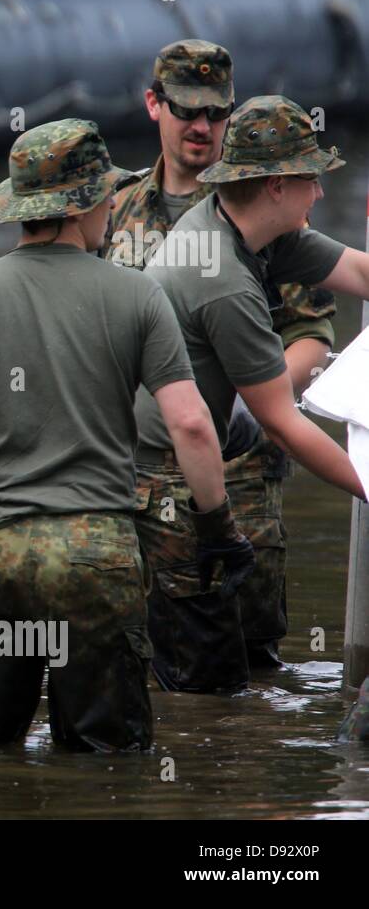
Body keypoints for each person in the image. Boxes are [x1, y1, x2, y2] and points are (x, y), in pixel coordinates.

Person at [0, 119, 245, 750]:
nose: (113, 205)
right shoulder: (139, 297)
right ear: (85, 204)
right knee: (105, 762)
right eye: (106, 195)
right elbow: (192, 424)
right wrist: (218, 527)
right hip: (95, 557)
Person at [106, 39, 335, 669]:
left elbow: (313, 340)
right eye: (186, 110)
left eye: (216, 113)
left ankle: (235, 761)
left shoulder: (272, 215)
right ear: (154, 104)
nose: (202, 127)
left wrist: (249, 403)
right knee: (145, 647)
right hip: (141, 477)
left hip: (245, 475)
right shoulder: (112, 209)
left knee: (250, 655)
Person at [131, 95, 369, 693]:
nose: (319, 195)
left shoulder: (248, 227)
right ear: (274, 187)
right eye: (310, 181)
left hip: (191, 457)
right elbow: (284, 423)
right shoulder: (224, 281)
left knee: (236, 668)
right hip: (162, 482)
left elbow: (362, 275)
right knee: (200, 678)